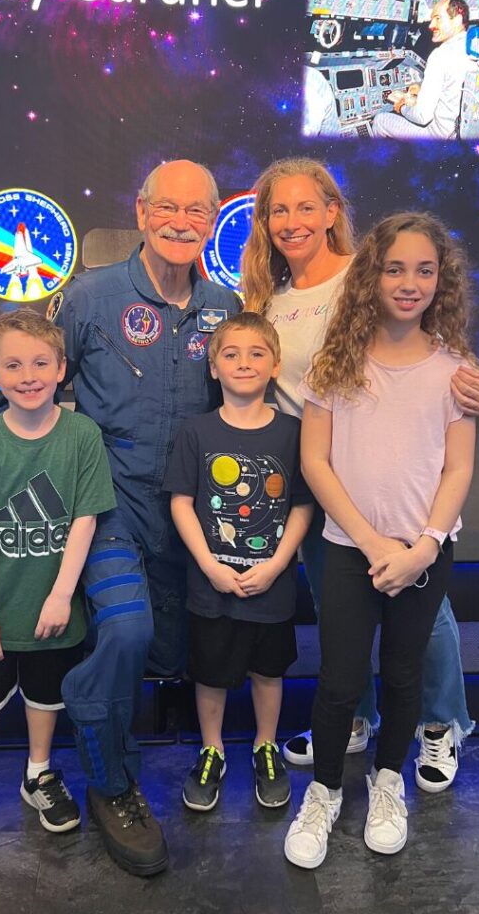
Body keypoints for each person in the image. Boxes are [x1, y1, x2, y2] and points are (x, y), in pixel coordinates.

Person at [241, 156, 479, 792]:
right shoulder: (268, 298)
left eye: (307, 206)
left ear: (333, 211)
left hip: (391, 489)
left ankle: (438, 725)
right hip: (316, 478)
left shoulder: (367, 279)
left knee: (419, 609)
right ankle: (354, 718)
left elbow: (449, 370)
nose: (292, 221)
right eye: (279, 209)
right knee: (344, 614)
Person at [49, 159, 242, 876]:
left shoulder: (226, 307)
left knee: (191, 640)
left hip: (193, 515)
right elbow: (32, 385)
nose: (182, 222)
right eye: (169, 208)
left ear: (213, 220)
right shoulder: (90, 299)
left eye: (198, 211)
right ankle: (110, 784)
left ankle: (225, 752)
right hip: (109, 508)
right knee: (127, 632)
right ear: (140, 211)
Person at [284, 211, 478, 868]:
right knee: (340, 679)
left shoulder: (455, 370)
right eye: (395, 267)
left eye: (424, 270)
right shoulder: (336, 364)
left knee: (401, 673)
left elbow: (458, 467)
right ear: (372, 275)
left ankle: (387, 781)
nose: (408, 282)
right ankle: (324, 791)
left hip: (423, 551)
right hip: (349, 549)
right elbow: (316, 462)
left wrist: (423, 546)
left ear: (441, 282)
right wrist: (370, 544)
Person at [0, 309, 115, 866]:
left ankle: (38, 773)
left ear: (62, 368)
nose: (29, 374)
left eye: (41, 362)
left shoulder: (83, 435)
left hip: (52, 608)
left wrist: (62, 594)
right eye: (13, 364)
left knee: (46, 693)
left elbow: (85, 517)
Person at [165, 313, 314, 812]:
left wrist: (276, 564)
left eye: (256, 354)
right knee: (210, 673)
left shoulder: (294, 433)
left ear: (274, 366)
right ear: (213, 368)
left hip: (272, 585)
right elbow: (181, 502)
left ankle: (264, 745)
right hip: (211, 585)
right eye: (230, 354)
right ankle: (212, 750)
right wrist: (209, 565)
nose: (243, 363)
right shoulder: (196, 431)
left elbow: (301, 504)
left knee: (268, 671)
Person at [372, 0, 475, 140]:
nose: (431, 25)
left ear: (457, 20)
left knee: (380, 121)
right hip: (459, 133)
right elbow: (452, 86)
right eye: (432, 18)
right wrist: (421, 89)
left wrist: (401, 107)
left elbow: (422, 117)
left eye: (438, 18)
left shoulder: (441, 55)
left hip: (437, 136)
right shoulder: (474, 47)